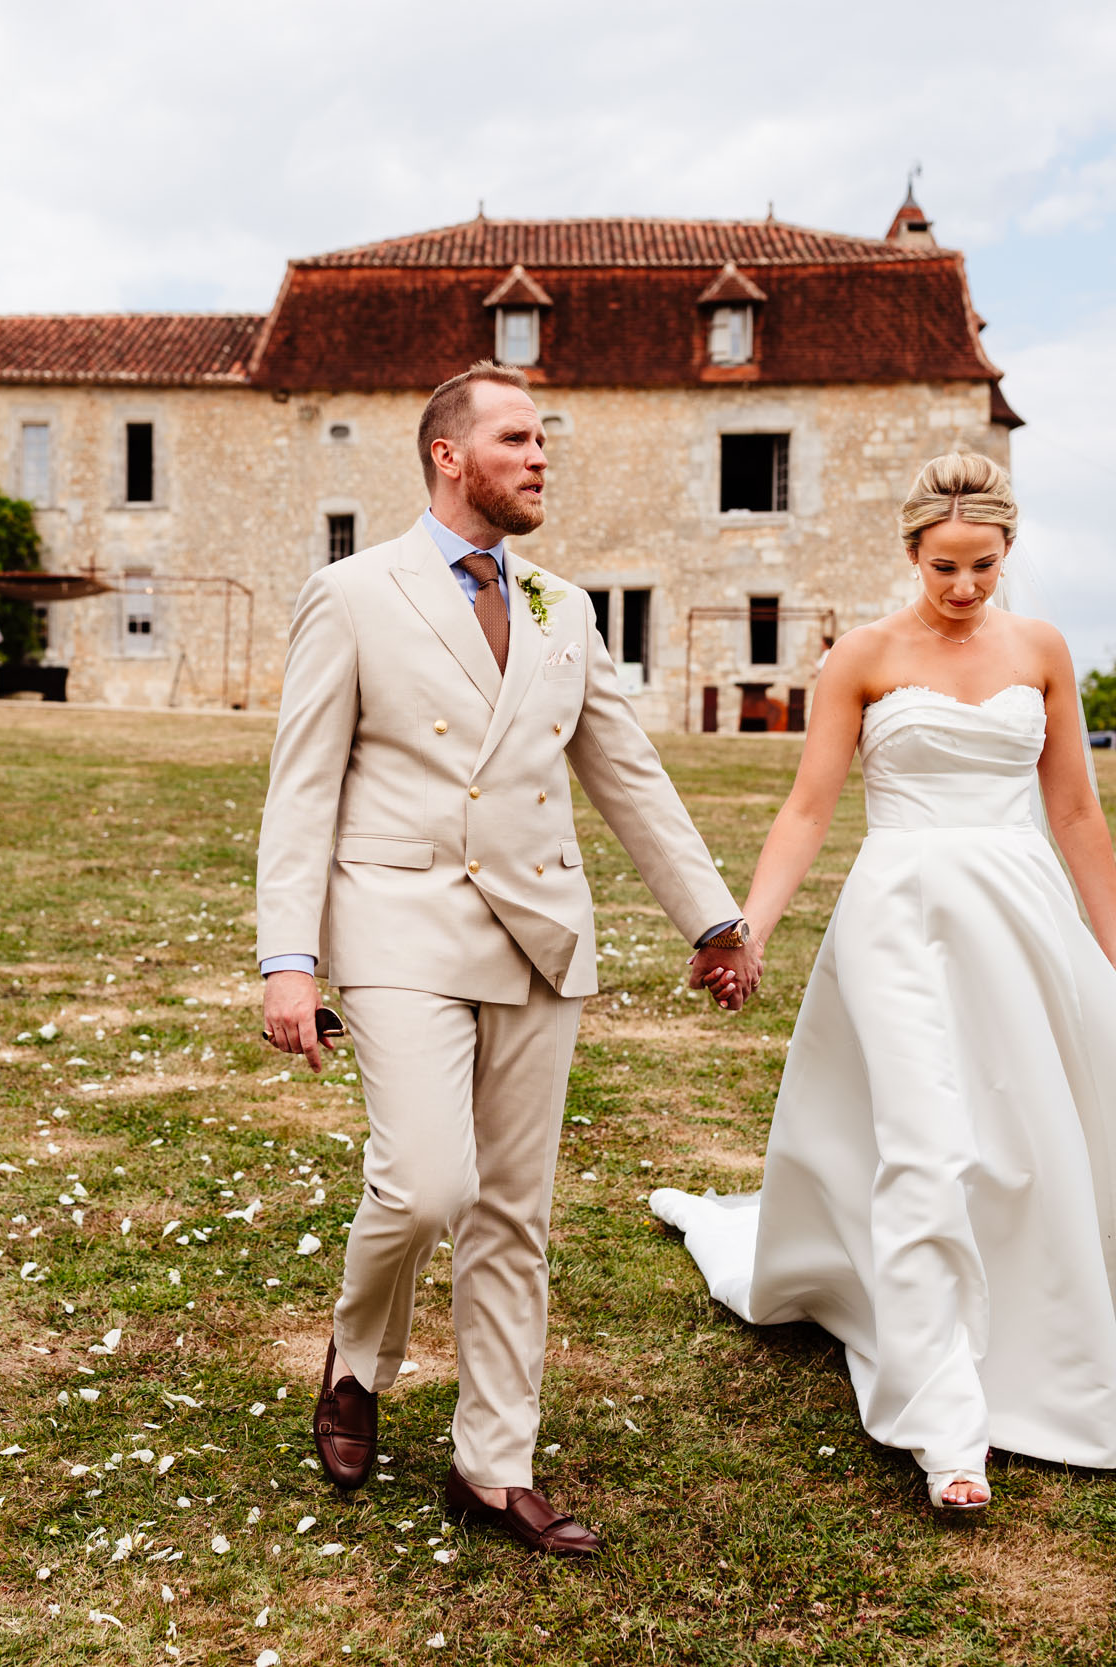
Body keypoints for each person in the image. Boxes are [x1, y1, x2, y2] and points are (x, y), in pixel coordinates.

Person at [648, 451, 1116, 1517]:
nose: (962, 588)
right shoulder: (859, 655)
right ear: (910, 553)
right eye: (943, 567)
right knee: (925, 1146)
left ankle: (1041, 1334)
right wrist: (747, 925)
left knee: (1026, 1146)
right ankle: (946, 1428)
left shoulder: (1041, 650)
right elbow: (807, 809)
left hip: (1024, 917)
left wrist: (1115, 947)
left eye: (982, 566)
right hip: (897, 917)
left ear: (1006, 552)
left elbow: (1075, 811)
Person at [257, 361, 756, 1559]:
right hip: (396, 922)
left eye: (544, 442)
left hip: (539, 933)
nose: (540, 458)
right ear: (449, 454)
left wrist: (712, 918)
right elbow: (302, 783)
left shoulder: (562, 608)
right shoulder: (353, 593)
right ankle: (358, 1355)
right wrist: (289, 955)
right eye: (519, 439)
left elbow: (626, 772)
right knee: (427, 1183)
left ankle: (492, 1464)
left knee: (510, 1217)